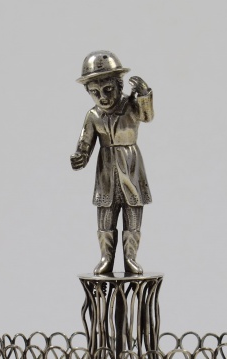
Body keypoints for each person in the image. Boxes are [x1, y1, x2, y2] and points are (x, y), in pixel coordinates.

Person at [70, 50, 154, 275]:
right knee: (105, 214)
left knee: (133, 212)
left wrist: (144, 95)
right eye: (95, 92)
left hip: (131, 166)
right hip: (106, 171)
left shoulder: (130, 106)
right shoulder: (93, 115)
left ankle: (130, 258)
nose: (102, 97)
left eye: (108, 89)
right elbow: (85, 143)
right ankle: (106, 258)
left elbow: (147, 116)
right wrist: (81, 157)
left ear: (119, 85)